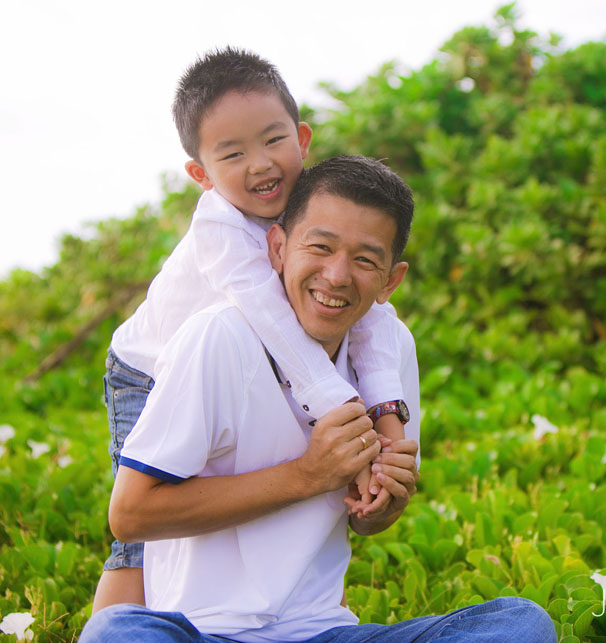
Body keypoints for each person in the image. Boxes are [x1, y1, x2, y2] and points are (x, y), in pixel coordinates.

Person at [80, 156, 555, 642]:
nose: (336, 275)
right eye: (320, 247)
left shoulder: (390, 351)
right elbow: (131, 515)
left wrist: (386, 502)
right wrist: (307, 475)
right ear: (279, 247)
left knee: (522, 623)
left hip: (323, 633)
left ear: (391, 280)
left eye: (366, 260)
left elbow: (366, 523)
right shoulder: (218, 337)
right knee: (117, 632)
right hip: (204, 633)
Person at [95, 48, 408, 611]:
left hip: (241, 369)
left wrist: (386, 413)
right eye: (232, 153)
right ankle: (116, 627)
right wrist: (342, 408)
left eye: (272, 140)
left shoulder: (313, 205)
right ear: (201, 175)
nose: (261, 164)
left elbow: (372, 316)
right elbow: (271, 316)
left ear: (302, 138)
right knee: (137, 546)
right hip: (145, 370)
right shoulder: (220, 225)